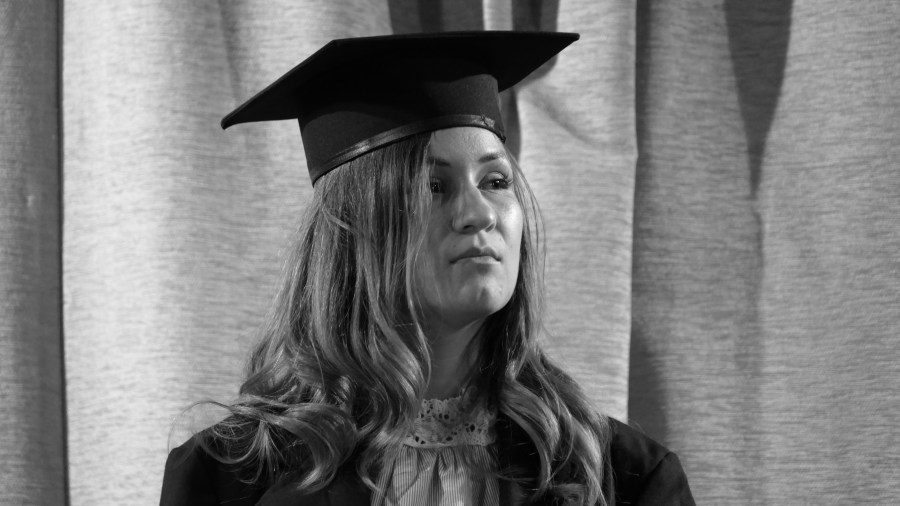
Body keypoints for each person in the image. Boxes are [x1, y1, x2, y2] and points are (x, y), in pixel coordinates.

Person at [160, 31, 695, 506]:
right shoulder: (229, 478)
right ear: (355, 229)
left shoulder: (621, 477)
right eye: (433, 186)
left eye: (496, 182)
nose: (479, 214)